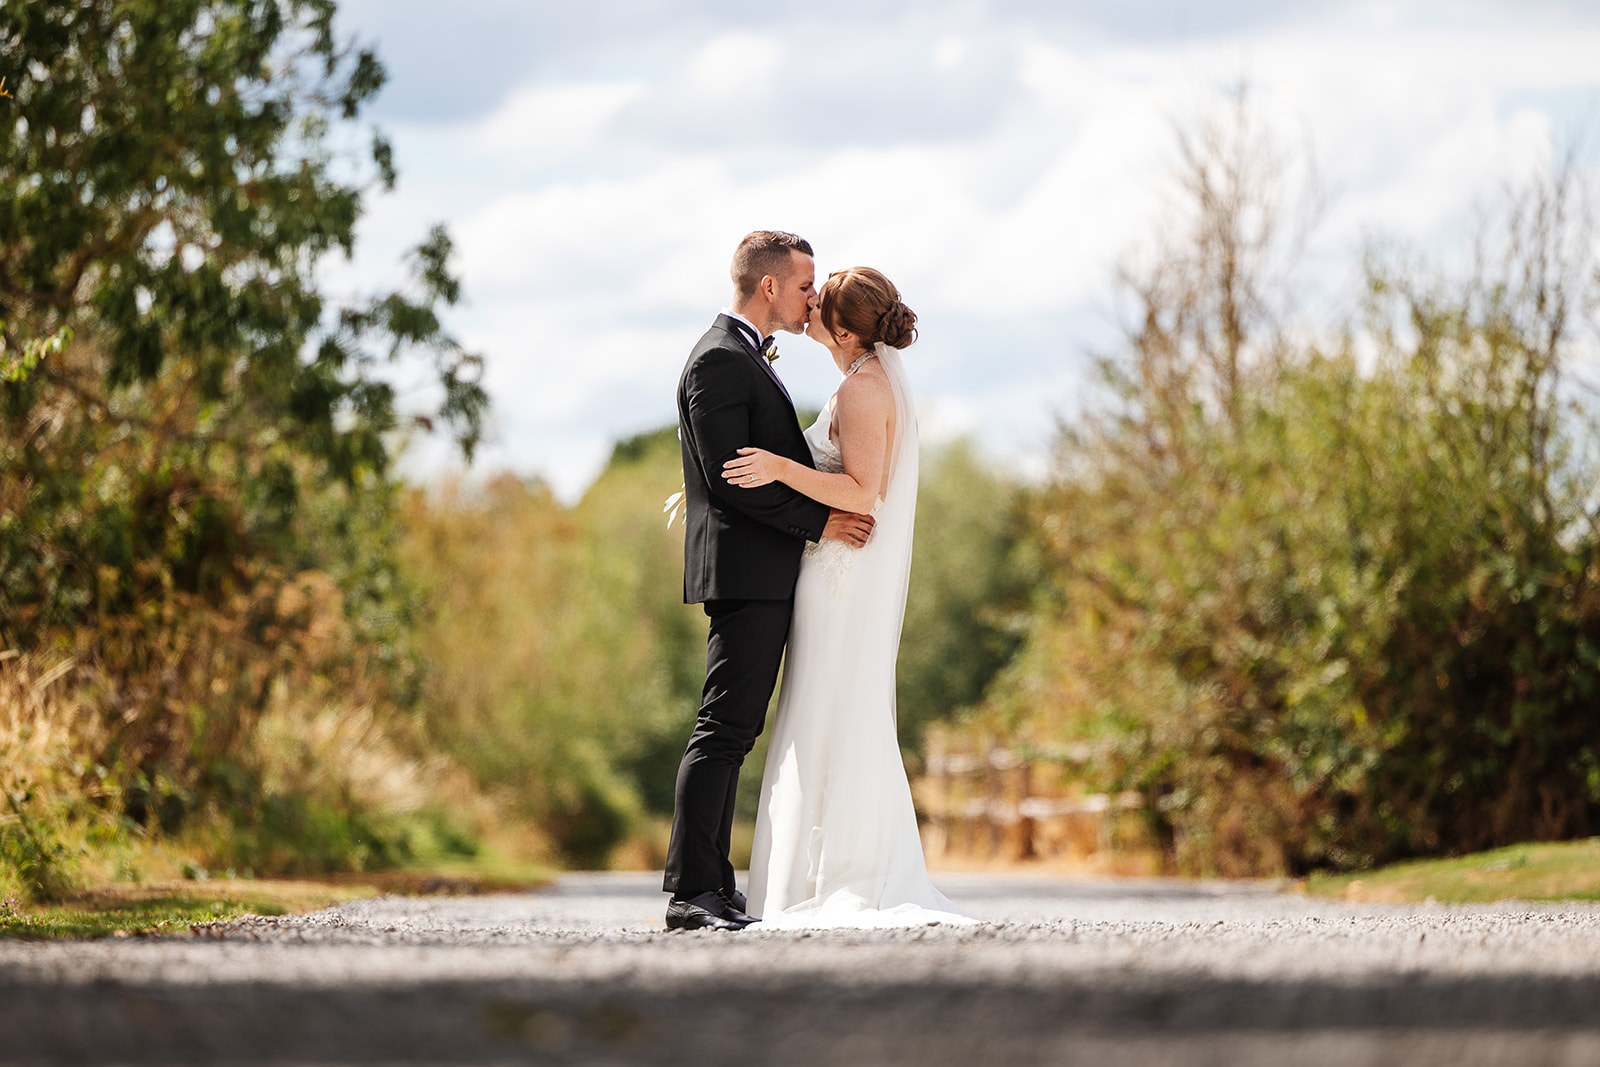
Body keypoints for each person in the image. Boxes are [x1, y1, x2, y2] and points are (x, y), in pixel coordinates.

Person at [723, 267, 976, 928]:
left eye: (817, 299)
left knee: (828, 708)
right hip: (831, 566)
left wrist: (780, 467)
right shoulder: (863, 381)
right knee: (821, 708)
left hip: (838, 573)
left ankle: (840, 870)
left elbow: (864, 492)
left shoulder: (864, 388)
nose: (805, 305)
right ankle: (813, 866)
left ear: (841, 328)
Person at [664, 231, 876, 931]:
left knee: (735, 729)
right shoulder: (721, 361)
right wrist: (822, 523)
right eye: (806, 285)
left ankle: (716, 888)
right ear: (769, 288)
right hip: (747, 571)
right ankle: (692, 890)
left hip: (759, 567)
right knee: (723, 727)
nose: (812, 297)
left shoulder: (739, 358)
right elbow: (737, 481)